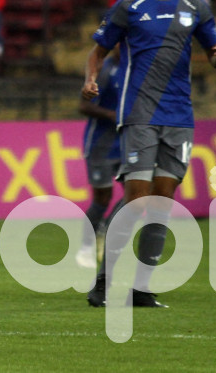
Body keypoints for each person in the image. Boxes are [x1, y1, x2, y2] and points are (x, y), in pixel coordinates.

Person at [83, 0, 216, 308]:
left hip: (179, 117)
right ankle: (104, 282)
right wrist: (89, 80)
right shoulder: (129, 6)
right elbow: (97, 51)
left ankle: (142, 288)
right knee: (137, 201)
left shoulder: (195, 7)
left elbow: (213, 52)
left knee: (163, 203)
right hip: (139, 116)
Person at [75, 45, 122, 269]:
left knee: (140, 192)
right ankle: (86, 246)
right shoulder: (105, 71)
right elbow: (83, 106)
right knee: (102, 198)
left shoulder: (137, 70)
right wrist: (112, 115)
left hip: (128, 143)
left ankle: (108, 227)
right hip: (100, 145)